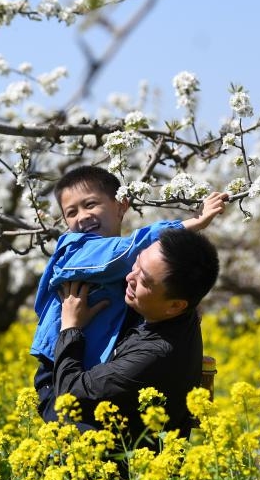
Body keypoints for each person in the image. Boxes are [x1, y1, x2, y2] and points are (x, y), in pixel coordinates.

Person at [31, 165, 225, 421]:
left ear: (122, 205)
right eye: (71, 212)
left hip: (85, 365)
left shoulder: (127, 263)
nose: (82, 216)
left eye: (90, 204)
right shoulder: (76, 249)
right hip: (57, 368)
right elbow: (126, 249)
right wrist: (191, 223)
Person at [52, 228, 220, 451]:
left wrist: (70, 326)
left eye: (144, 281)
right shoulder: (176, 314)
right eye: (137, 264)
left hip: (120, 477)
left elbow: (70, 393)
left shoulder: (154, 356)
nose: (130, 278)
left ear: (175, 305)